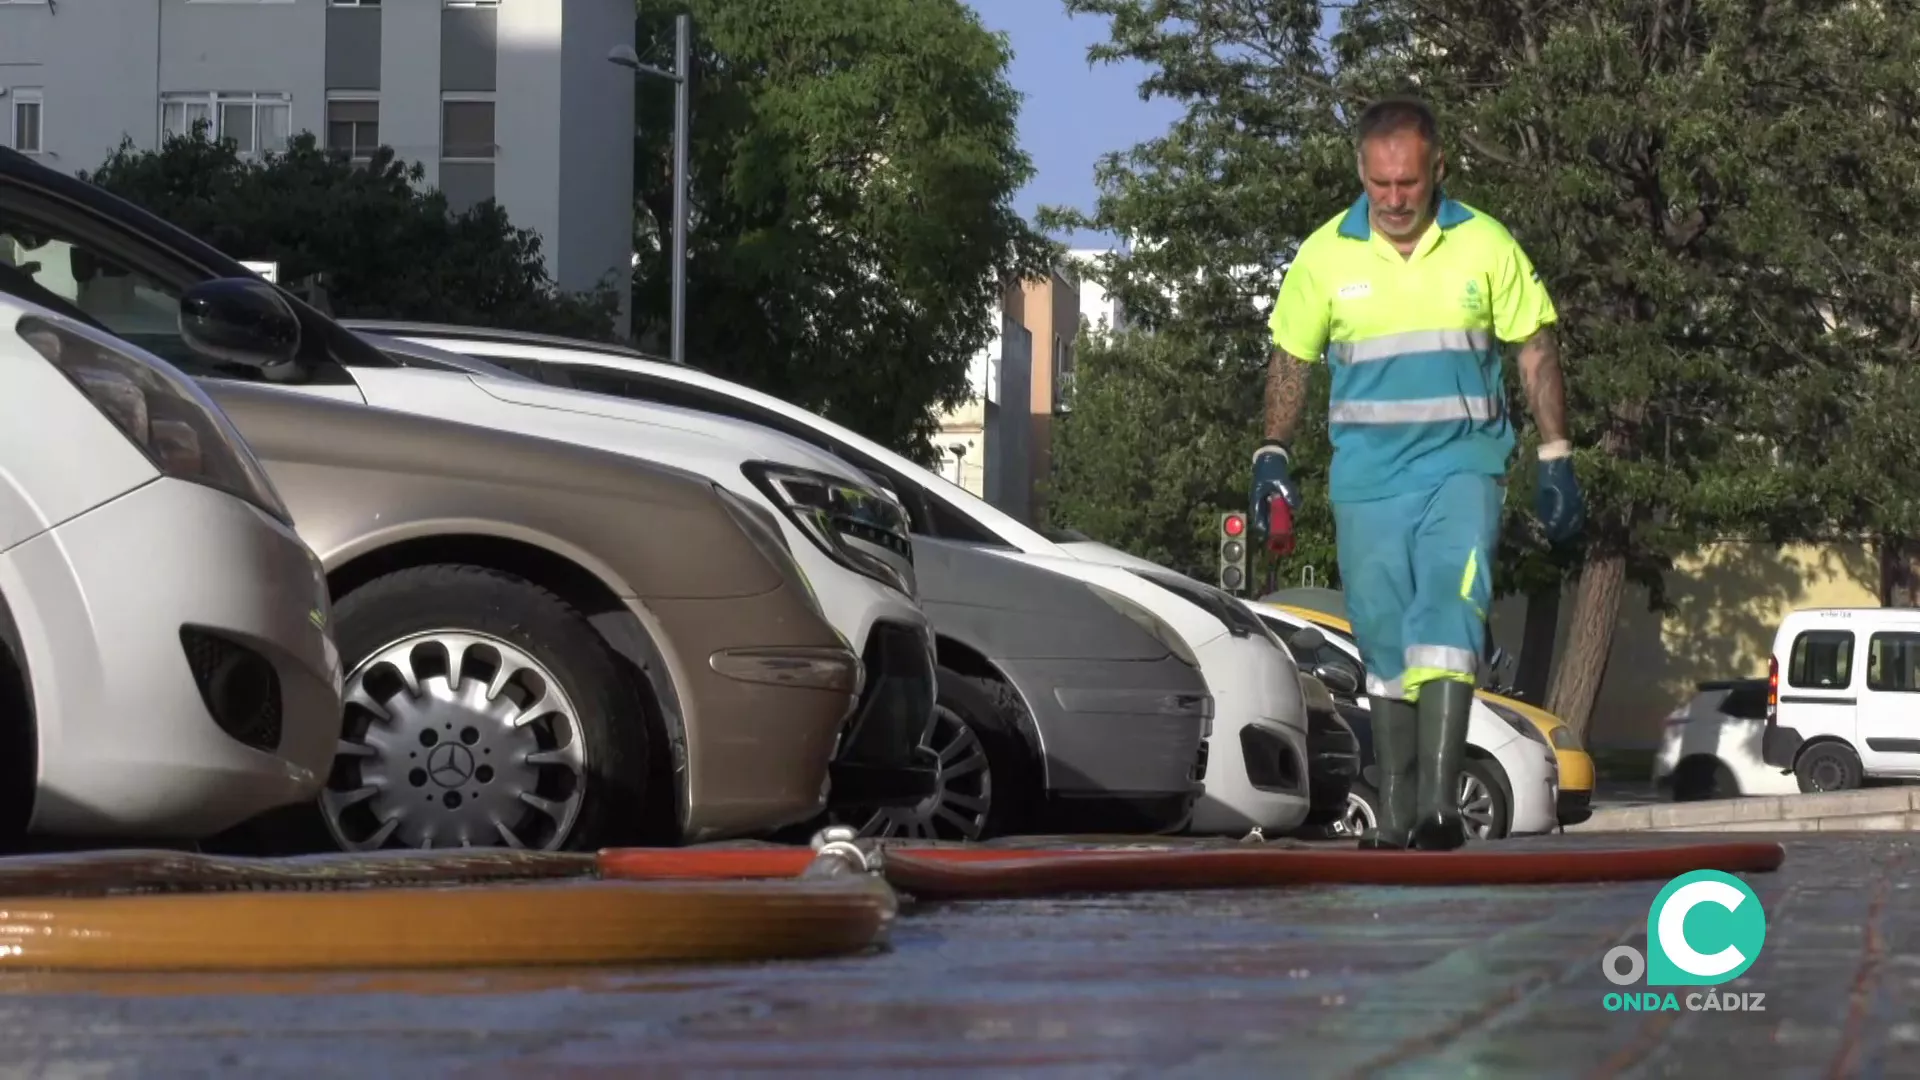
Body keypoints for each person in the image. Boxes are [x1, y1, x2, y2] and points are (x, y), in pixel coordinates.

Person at [1251, 95, 1584, 851]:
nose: (1396, 200)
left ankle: (1438, 806)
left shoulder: (1486, 245)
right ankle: (1397, 810)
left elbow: (1534, 347)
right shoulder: (1325, 256)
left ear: (1438, 169)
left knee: (1450, 615)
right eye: (1381, 185)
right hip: (1367, 482)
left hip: (1463, 466)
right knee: (1388, 644)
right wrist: (1272, 451)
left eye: (1409, 183)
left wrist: (1555, 455)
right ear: (1361, 174)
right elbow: (1291, 361)